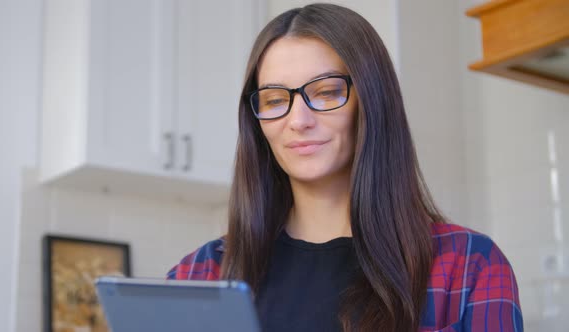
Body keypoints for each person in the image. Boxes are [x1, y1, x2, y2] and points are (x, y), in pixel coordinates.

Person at [167, 3, 523, 332]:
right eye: (275, 100)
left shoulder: (469, 265)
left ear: (371, 100)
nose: (298, 120)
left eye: (325, 92)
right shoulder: (196, 275)